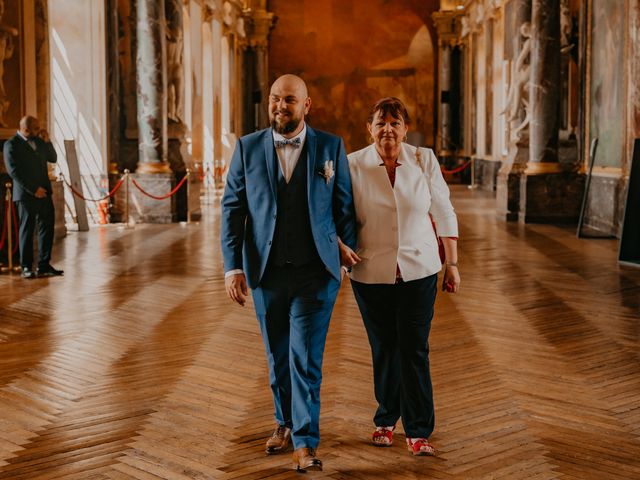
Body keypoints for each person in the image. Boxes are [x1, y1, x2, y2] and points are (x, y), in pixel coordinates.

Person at [220, 74, 357, 472]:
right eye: (276, 100)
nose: (281, 106)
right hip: (266, 272)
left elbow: (345, 207)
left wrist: (342, 256)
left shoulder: (331, 147)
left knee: (305, 359)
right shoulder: (246, 148)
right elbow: (233, 210)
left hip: (316, 274)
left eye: (290, 100)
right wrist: (233, 267)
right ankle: (283, 421)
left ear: (307, 105)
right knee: (277, 356)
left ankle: (304, 441)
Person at [340, 97, 460, 456]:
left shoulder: (424, 159)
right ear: (369, 128)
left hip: (419, 268)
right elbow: (339, 213)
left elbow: (443, 209)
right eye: (381, 123)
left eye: (395, 123)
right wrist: (339, 249)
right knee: (384, 348)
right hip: (370, 270)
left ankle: (420, 428)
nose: (388, 130)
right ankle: (386, 417)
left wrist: (451, 262)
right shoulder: (353, 164)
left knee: (413, 348)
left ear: (405, 128)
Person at [3, 115, 63, 278]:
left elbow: (53, 158)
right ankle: (26, 267)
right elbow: (14, 171)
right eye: (36, 128)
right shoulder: (11, 145)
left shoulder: (39, 141)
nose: (40, 130)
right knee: (27, 230)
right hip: (25, 195)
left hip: (44, 193)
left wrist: (48, 140)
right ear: (26, 129)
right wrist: (33, 189)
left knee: (46, 229)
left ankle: (44, 265)